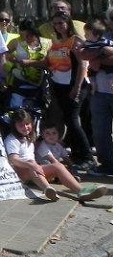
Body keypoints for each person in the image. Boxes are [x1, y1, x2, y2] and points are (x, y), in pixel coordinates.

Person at [3, 108, 104, 202]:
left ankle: (81, 191)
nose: (25, 127)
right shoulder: (12, 140)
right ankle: (47, 189)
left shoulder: (29, 137)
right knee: (32, 163)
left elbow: (40, 144)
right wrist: (31, 165)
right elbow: (13, 159)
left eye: (27, 124)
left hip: (34, 171)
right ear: (14, 126)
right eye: (21, 125)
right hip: (19, 172)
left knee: (58, 166)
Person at [45, 11, 93, 169]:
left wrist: (77, 87)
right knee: (67, 120)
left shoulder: (75, 41)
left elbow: (82, 64)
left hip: (74, 85)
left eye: (61, 23)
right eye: (55, 23)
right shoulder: (56, 42)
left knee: (73, 120)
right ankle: (77, 154)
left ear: (68, 23)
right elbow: (48, 62)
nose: (58, 26)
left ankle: (88, 156)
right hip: (60, 86)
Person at [75, 20, 113, 175]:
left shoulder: (105, 41)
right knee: (100, 130)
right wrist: (99, 56)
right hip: (99, 92)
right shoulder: (102, 35)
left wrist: (97, 58)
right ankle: (107, 164)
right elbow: (84, 55)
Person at [4, 19, 50, 108]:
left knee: (37, 109)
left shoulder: (46, 42)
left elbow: (48, 62)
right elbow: (4, 54)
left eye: (30, 35)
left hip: (39, 82)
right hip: (19, 80)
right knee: (17, 108)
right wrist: (13, 60)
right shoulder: (16, 41)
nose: (27, 38)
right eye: (23, 35)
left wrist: (29, 63)